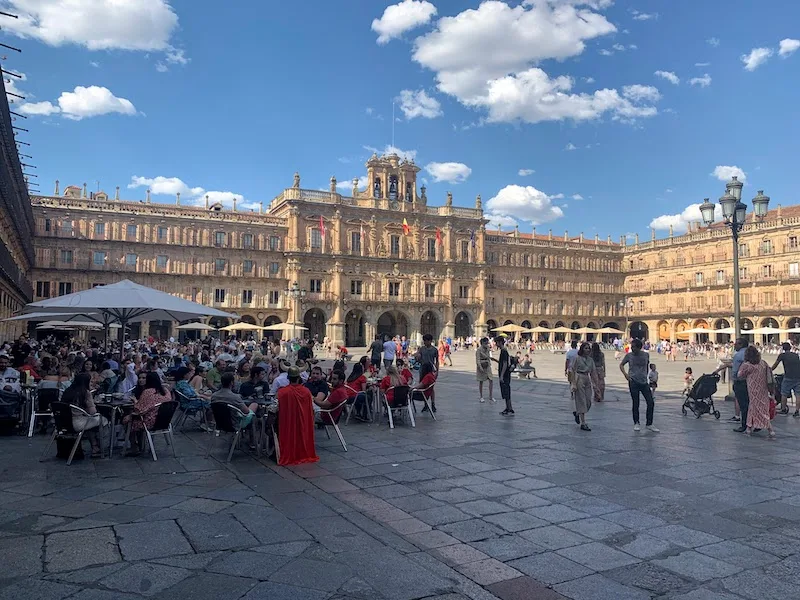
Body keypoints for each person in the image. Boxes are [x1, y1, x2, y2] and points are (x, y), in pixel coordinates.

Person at [277, 367, 319, 466]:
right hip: (303, 421)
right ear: (298, 377)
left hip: (288, 422)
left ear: (288, 378)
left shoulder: (282, 392)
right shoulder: (306, 392)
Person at [124, 372, 171, 455]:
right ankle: (141, 445)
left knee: (128, 421)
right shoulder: (165, 391)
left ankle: (134, 447)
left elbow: (139, 409)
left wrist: (134, 403)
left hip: (149, 422)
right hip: (164, 422)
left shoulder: (147, 392)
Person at [62, 372, 106, 458]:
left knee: (90, 422)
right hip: (77, 423)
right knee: (103, 420)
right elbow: (93, 412)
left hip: (64, 422)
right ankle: (103, 446)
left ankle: (94, 446)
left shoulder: (68, 391)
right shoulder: (85, 393)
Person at [620, 338, 659, 432]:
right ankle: (636, 422)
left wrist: (647, 375)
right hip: (633, 381)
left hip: (644, 382)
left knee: (650, 402)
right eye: (631, 347)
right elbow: (621, 365)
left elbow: (647, 365)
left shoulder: (646, 355)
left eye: (634, 347)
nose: (632, 349)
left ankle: (649, 423)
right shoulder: (629, 356)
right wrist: (626, 374)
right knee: (635, 402)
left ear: (639, 347)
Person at [737, 345, 776, 438]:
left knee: (754, 407)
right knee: (761, 406)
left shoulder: (747, 365)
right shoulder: (763, 363)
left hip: (752, 388)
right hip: (763, 388)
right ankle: (749, 427)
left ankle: (769, 428)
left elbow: (739, 375)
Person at [569, 342, 594, 431]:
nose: (587, 350)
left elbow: (593, 372)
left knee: (588, 401)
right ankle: (583, 423)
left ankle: (577, 413)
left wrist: (596, 385)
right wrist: (573, 383)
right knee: (581, 400)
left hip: (587, 378)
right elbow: (572, 369)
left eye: (588, 348)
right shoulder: (577, 358)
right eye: (585, 348)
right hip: (579, 377)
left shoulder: (591, 360)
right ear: (582, 349)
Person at [771, 342, 800, 416]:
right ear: (790, 348)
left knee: (784, 393)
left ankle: (783, 409)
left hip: (788, 377)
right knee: (797, 394)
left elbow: (775, 364)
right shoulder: (796, 355)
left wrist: (770, 370)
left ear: (783, 348)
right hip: (798, 376)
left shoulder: (782, 355)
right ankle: (797, 411)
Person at [493, 336, 514, 416]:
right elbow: (502, 362)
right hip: (505, 374)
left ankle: (509, 408)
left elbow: (505, 364)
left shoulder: (504, 351)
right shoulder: (503, 351)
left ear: (500, 342)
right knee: (505, 391)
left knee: (506, 391)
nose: (496, 344)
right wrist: (495, 360)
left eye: (497, 342)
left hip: (505, 375)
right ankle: (509, 408)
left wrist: (501, 375)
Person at [475, 337, 494, 403]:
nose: (487, 344)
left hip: (488, 366)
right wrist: (480, 367)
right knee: (481, 381)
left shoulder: (488, 349)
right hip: (481, 366)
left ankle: (490, 396)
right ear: (482, 343)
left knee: (491, 380)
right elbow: (477, 360)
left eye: (487, 343)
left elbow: (489, 357)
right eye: (486, 343)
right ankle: (481, 397)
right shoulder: (479, 350)